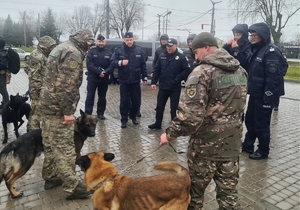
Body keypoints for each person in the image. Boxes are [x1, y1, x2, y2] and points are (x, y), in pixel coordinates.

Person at [160, 32, 248, 209]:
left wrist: (169, 135)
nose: (195, 56)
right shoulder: (241, 71)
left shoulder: (201, 73)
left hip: (204, 149)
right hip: (232, 147)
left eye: (196, 51)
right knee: (229, 195)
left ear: (207, 47)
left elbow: (190, 116)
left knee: (194, 195)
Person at [38, 29, 95, 199]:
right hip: (58, 109)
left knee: (49, 144)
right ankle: (72, 187)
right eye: (90, 44)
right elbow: (66, 86)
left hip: (47, 106)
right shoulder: (73, 54)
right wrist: (68, 112)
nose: (90, 48)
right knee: (65, 149)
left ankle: (51, 177)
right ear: (84, 41)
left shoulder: (60, 48)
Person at [242, 22, 285, 160]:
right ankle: (248, 145)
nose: (252, 37)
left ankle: (263, 150)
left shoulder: (270, 51)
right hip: (255, 93)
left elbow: (274, 77)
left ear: (263, 35)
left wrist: (268, 95)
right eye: (251, 35)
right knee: (250, 120)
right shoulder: (257, 49)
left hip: (265, 95)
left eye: (255, 35)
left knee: (261, 123)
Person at [148, 38, 191, 129]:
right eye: (167, 46)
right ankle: (158, 123)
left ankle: (174, 126)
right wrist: (154, 82)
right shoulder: (162, 56)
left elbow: (186, 70)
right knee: (159, 107)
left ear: (176, 46)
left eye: (171, 46)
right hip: (163, 86)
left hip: (174, 88)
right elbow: (157, 69)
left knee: (174, 109)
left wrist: (177, 79)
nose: (169, 48)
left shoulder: (181, 57)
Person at [109, 32, 147, 128]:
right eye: (127, 40)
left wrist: (144, 77)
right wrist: (121, 62)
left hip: (135, 80)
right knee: (124, 102)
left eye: (131, 40)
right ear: (124, 40)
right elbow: (112, 62)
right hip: (124, 81)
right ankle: (124, 119)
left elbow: (143, 64)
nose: (129, 42)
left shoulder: (139, 50)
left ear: (133, 39)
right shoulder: (119, 51)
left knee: (135, 101)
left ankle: (133, 117)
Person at [24, 36, 56, 131]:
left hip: (41, 87)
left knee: (37, 110)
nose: (52, 49)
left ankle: (32, 129)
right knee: (36, 110)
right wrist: (40, 88)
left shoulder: (43, 54)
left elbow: (26, 68)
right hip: (38, 88)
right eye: (51, 47)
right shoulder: (37, 56)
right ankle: (32, 131)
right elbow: (34, 75)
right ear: (45, 46)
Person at [85, 34, 112, 120]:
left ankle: (100, 113)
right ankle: (87, 114)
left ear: (105, 42)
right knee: (90, 96)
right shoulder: (91, 52)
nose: (101, 43)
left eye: (103, 41)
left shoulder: (109, 52)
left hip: (104, 79)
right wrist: (98, 72)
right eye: (99, 41)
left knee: (102, 97)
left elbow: (112, 65)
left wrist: (106, 72)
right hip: (93, 79)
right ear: (96, 42)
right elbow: (89, 65)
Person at [0, 38, 9, 113]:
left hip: (1, 75)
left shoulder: (2, 53)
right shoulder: (3, 52)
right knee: (3, 91)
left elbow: (2, 65)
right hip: (2, 75)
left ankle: (6, 108)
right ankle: (4, 104)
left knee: (3, 91)